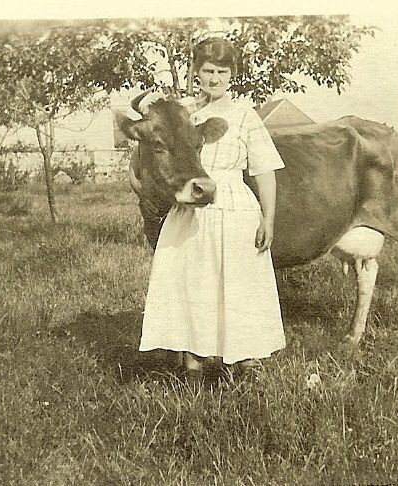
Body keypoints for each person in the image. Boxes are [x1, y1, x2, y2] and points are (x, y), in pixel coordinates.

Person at [137, 37, 286, 379]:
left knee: (239, 284)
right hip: (190, 209)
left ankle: (245, 360)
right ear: (196, 72)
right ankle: (192, 360)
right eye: (208, 71)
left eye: (222, 72)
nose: (215, 79)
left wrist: (268, 219)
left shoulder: (245, 115)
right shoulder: (183, 114)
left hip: (234, 207)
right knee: (192, 283)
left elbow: (264, 171)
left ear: (232, 75)